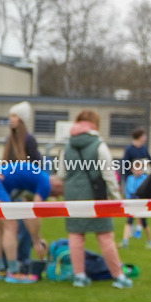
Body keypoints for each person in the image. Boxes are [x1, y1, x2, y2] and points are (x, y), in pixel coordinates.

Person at [57, 110, 133, 289]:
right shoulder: (99, 145)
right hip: (96, 196)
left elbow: (61, 174)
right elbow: (109, 175)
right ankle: (118, 276)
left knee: (76, 236)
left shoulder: (67, 147)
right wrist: (116, 197)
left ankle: (80, 276)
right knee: (105, 236)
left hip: (73, 197)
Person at [0, 162, 63, 281]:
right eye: (58, 193)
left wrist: (37, 237)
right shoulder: (45, 184)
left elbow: (27, 213)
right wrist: (36, 241)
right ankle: (13, 272)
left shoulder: (38, 177)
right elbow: (34, 213)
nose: (55, 197)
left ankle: (0, 270)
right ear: (57, 185)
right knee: (11, 226)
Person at [3, 101, 42, 276]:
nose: (11, 120)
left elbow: (37, 163)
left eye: (14, 116)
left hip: (24, 190)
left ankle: (23, 261)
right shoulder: (9, 140)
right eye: (10, 116)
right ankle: (8, 262)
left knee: (24, 228)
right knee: (10, 228)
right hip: (10, 190)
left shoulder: (29, 140)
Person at [120, 159, 151, 248]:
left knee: (144, 223)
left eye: (139, 169)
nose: (137, 171)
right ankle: (125, 241)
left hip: (141, 203)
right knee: (129, 222)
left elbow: (146, 191)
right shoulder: (130, 178)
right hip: (131, 202)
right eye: (136, 169)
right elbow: (127, 190)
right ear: (132, 169)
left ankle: (150, 241)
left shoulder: (145, 178)